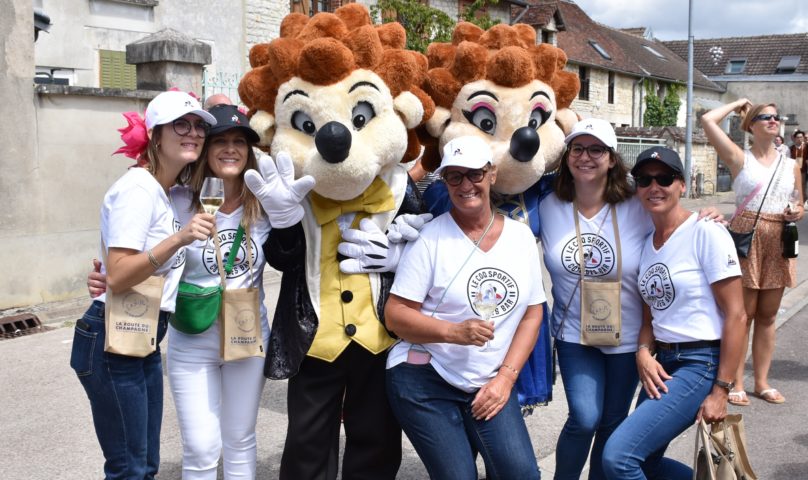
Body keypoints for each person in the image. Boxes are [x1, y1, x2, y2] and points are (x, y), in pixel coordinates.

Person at [88, 103, 272, 479]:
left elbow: (295, 252)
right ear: (205, 150)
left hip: (246, 329)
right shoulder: (175, 199)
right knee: (201, 447)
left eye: (240, 141)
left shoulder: (267, 205)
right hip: (192, 334)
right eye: (220, 141)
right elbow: (132, 249)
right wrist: (104, 275)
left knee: (240, 439)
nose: (230, 149)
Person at [70, 90, 217, 479]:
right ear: (154, 136)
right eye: (181, 125)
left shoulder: (171, 193)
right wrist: (180, 238)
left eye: (198, 126)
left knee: (144, 465)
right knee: (130, 468)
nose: (193, 133)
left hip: (143, 335)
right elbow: (118, 275)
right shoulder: (138, 188)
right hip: (111, 339)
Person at [384, 136, 544, 479]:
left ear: (492, 174)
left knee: (522, 474)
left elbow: (533, 313)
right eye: (454, 176)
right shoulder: (431, 239)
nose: (465, 184)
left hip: (487, 381)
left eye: (473, 173)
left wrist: (505, 378)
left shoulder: (520, 239)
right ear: (444, 181)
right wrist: (453, 332)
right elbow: (396, 315)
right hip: (427, 377)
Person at [601, 147, 747, 479]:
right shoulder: (647, 244)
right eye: (644, 180)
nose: (654, 187)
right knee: (645, 463)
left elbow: (737, 315)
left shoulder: (706, 231)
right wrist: (642, 353)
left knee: (618, 457)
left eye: (664, 178)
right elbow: (651, 315)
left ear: (682, 184)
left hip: (699, 362)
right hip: (662, 365)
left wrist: (721, 390)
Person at [540, 118, 648, 480]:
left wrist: (707, 218)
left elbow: (675, 226)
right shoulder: (547, 203)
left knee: (613, 423)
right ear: (567, 154)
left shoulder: (638, 205)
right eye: (577, 148)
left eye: (596, 149)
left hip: (627, 334)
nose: (585, 157)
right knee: (585, 418)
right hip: (573, 333)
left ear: (612, 158)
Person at [701, 99, 804, 406]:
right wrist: (737, 104)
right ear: (751, 126)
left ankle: (761, 381)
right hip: (746, 239)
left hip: (778, 240)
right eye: (765, 117)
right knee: (742, 315)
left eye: (777, 117)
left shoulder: (791, 164)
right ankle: (734, 381)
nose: (774, 121)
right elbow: (708, 120)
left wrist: (797, 210)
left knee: (769, 315)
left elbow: (799, 199)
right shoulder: (739, 157)